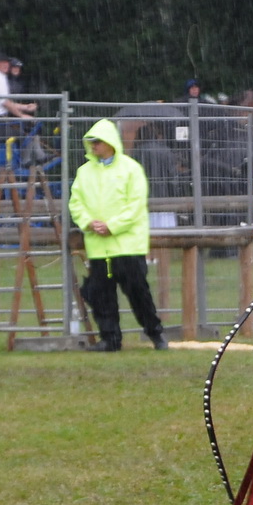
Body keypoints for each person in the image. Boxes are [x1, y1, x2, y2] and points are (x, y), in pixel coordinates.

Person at [70, 118, 168, 351]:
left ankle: (155, 335)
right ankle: (110, 339)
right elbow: (76, 203)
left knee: (138, 293)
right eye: (90, 142)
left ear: (110, 142)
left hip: (127, 246)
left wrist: (111, 226)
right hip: (98, 247)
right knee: (101, 296)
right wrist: (87, 222)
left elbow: (135, 206)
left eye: (97, 142)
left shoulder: (131, 169)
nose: (93, 146)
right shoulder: (84, 172)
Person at [0, 51, 36, 121]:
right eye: (1, 63)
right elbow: (5, 103)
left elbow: (5, 102)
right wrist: (22, 115)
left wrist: (26, 107)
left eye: (6, 62)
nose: (5, 65)